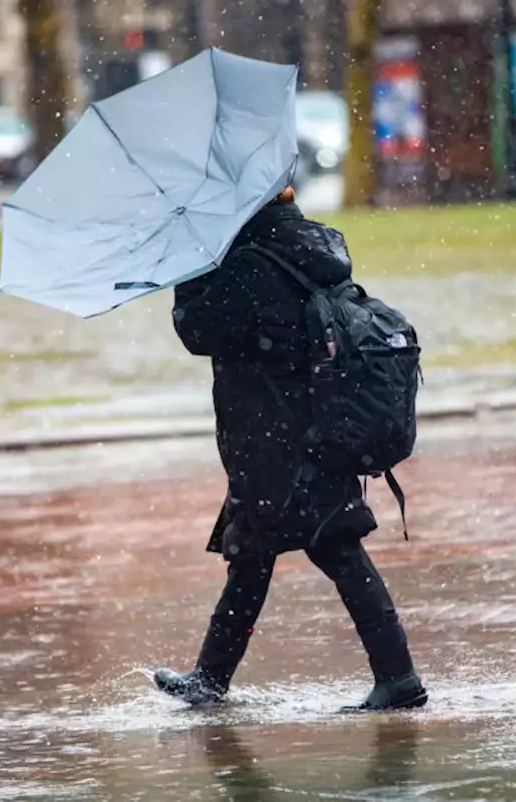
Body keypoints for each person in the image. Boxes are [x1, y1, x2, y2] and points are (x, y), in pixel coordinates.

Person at [154, 185, 427, 712]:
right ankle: (211, 678)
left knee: (335, 548)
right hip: (309, 429)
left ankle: (399, 677)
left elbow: (196, 330)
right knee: (252, 556)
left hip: (276, 440)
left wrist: (188, 266)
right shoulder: (308, 245)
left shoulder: (253, 262)